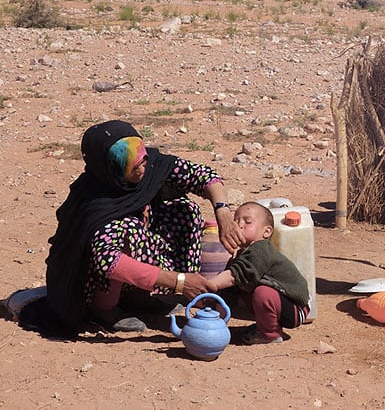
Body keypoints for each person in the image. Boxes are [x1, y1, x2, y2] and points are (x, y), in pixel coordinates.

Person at [24, 119, 244, 336]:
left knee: (184, 209)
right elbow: (108, 261)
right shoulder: (93, 201)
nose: (142, 167)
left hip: (136, 261)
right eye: (132, 164)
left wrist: (223, 212)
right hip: (89, 282)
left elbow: (203, 176)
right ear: (109, 165)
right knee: (127, 228)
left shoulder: (152, 166)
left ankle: (138, 296)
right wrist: (179, 282)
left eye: (143, 160)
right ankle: (104, 308)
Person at [207, 202, 310, 344]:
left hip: (295, 307)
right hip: (279, 302)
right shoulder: (241, 255)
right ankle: (264, 324)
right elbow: (228, 289)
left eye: (247, 222)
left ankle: (270, 334)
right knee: (234, 286)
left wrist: (208, 285)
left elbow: (234, 275)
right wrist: (215, 322)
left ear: (266, 232)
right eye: (235, 221)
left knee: (261, 292)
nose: (239, 225)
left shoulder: (261, 249)